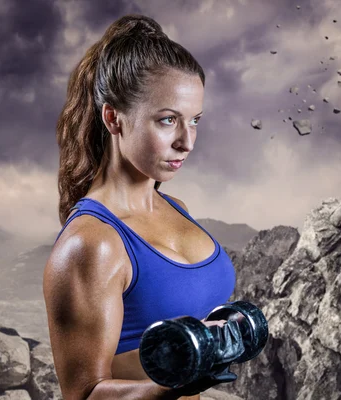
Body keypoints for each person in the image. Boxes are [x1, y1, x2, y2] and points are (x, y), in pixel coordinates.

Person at [43, 14, 237, 400]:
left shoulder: (176, 207)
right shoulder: (91, 245)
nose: (187, 142)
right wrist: (173, 385)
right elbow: (84, 395)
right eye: (168, 120)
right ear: (113, 118)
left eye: (194, 120)